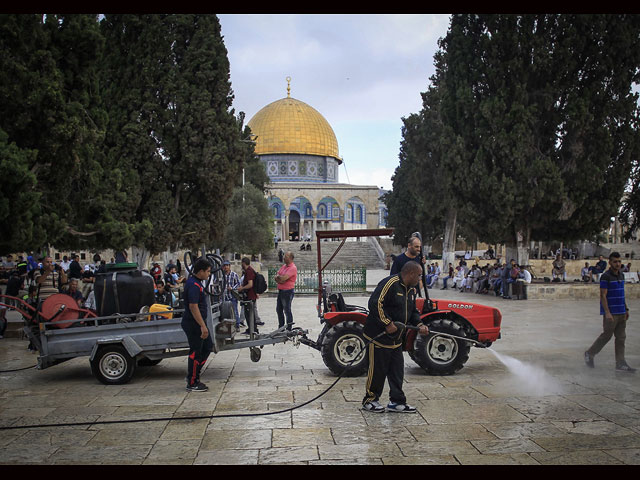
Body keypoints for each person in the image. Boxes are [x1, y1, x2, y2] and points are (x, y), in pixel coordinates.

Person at [362, 261, 429, 413]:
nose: (420, 279)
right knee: (377, 370)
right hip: (378, 336)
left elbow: (412, 312)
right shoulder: (390, 283)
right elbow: (375, 303)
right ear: (411, 273)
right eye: (419, 276)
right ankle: (370, 400)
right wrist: (387, 322)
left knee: (397, 372)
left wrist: (419, 324)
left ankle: (397, 401)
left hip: (396, 339)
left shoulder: (412, 290)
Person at [584, 252, 635, 373]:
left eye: (619, 261)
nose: (617, 264)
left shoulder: (621, 276)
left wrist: (626, 308)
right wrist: (607, 312)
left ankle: (620, 362)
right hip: (611, 313)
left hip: (621, 312)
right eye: (615, 262)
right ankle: (590, 353)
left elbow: (621, 294)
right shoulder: (606, 277)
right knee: (606, 336)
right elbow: (603, 295)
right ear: (610, 263)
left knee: (621, 338)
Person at [181, 258, 214, 392]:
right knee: (196, 352)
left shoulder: (197, 283)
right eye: (207, 271)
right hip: (194, 324)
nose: (209, 274)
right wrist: (202, 326)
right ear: (200, 271)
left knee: (207, 347)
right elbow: (193, 306)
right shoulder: (193, 285)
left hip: (199, 322)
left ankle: (193, 374)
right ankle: (192, 382)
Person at [237, 257, 263, 334]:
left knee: (249, 314)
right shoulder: (249, 270)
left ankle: (253, 330)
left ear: (244, 263)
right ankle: (251, 329)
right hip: (250, 296)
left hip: (250, 296)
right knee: (249, 314)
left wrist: (242, 288)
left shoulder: (249, 271)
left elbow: (250, 284)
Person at [275, 251, 297, 331]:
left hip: (287, 291)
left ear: (290, 258)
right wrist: (279, 279)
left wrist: (280, 278)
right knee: (279, 309)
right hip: (281, 290)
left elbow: (283, 278)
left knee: (287, 309)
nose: (284, 257)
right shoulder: (284, 266)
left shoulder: (292, 268)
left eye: (286, 256)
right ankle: (281, 327)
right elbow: (277, 276)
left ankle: (289, 327)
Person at [221, 260, 242, 329]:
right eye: (224, 266)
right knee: (225, 312)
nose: (226, 267)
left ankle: (237, 325)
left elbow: (238, 284)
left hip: (232, 296)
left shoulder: (234, 274)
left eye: (227, 265)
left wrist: (232, 288)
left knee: (235, 310)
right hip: (224, 296)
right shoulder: (221, 275)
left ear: (229, 266)